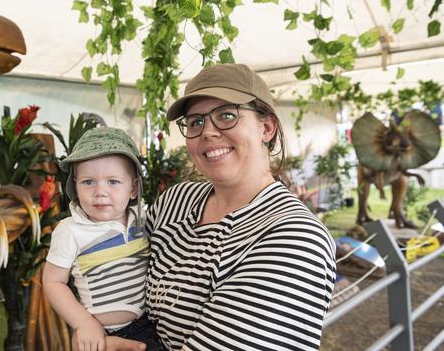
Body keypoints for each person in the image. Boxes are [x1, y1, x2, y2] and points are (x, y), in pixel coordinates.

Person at [89, 63, 337, 351]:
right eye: (195, 122)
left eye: (227, 115)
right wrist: (87, 324)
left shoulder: (293, 238)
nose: (207, 132)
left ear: (266, 128)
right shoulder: (175, 201)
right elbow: (108, 268)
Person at [43, 127, 151, 351]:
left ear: (133, 189)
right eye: (88, 182)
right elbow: (53, 282)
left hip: (151, 323)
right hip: (102, 332)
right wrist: (84, 323)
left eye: (113, 181)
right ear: (75, 185)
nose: (100, 191)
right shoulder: (71, 230)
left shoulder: (144, 217)